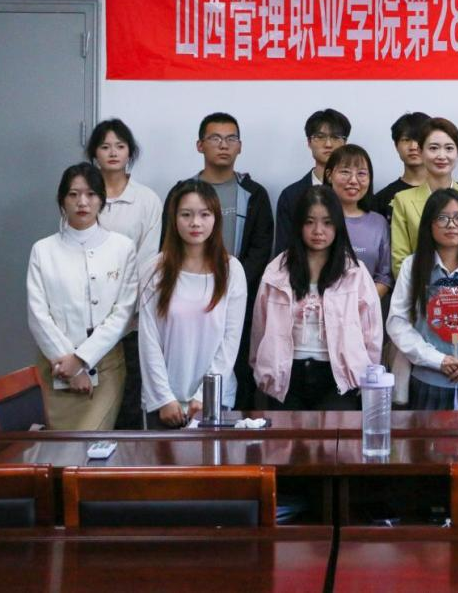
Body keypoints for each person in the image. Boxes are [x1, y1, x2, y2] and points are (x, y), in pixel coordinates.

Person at [161, 112, 273, 411]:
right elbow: (168, 244)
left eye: (231, 138)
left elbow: (261, 249)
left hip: (238, 302)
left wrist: (230, 286)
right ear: (200, 145)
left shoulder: (254, 194)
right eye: (215, 138)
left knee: (237, 374)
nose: (224, 145)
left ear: (240, 146)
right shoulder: (181, 192)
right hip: (186, 302)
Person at [250, 186, 382, 410]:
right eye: (310, 222)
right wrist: (262, 368)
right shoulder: (277, 270)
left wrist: (366, 375)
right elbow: (259, 327)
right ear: (298, 225)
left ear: (338, 225)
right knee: (286, 434)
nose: (318, 231)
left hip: (340, 377)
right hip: (286, 375)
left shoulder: (354, 271)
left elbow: (372, 332)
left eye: (327, 223)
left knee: (337, 433)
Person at [27, 163, 138, 430]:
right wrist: (69, 365)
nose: (82, 202)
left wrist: (81, 361)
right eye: (73, 194)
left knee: (90, 442)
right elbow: (37, 314)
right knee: (56, 447)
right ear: (62, 200)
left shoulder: (122, 248)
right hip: (56, 364)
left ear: (102, 199)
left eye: (90, 194)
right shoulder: (43, 250)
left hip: (106, 363)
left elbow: (123, 313)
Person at [138, 180, 247, 429]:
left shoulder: (231, 270)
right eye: (186, 215)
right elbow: (148, 340)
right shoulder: (154, 269)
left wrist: (205, 396)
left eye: (204, 214)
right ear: (174, 219)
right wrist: (164, 399)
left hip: (214, 401)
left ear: (216, 218)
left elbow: (230, 342)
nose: (195, 223)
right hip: (163, 404)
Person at [387, 189, 458, 409]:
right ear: (429, 224)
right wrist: (437, 360)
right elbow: (397, 322)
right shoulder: (413, 267)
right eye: (442, 218)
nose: (452, 225)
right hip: (428, 380)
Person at [85, 118, 163, 430]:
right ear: (94, 153)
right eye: (105, 146)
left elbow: (148, 259)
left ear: (130, 151)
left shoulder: (147, 199)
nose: (113, 152)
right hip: (88, 315)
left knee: (130, 394)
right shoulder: (83, 196)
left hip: (132, 315)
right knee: (92, 396)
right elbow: (73, 251)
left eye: (120, 146)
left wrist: (123, 305)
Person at [390, 117, 458, 277]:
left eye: (449, 148)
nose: (442, 156)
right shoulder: (403, 200)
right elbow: (399, 261)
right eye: (434, 148)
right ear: (420, 152)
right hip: (418, 287)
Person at [275, 108, 351, 255]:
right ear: (309, 142)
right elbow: (283, 251)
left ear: (345, 143)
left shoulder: (355, 192)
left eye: (335, 137)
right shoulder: (291, 196)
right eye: (320, 137)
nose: (328, 144)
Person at [323, 144, 392, 298]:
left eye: (361, 173)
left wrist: (360, 305)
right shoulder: (316, 219)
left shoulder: (379, 222)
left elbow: (384, 276)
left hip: (366, 307)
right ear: (329, 175)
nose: (353, 180)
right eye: (345, 172)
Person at [373, 111, 430, 222]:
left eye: (419, 139)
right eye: (406, 140)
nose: (413, 146)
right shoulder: (382, 199)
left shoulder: (450, 191)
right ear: (396, 145)